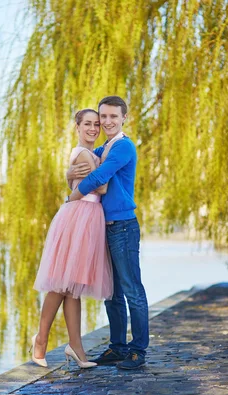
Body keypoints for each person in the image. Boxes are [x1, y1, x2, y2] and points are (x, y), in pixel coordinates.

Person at [66, 95, 148, 370]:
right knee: (111, 293)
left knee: (131, 290)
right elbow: (84, 164)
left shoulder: (123, 147)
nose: (107, 121)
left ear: (124, 118)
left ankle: (137, 351)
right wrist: (69, 172)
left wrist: (72, 197)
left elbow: (99, 178)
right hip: (105, 226)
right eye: (104, 117)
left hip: (123, 226)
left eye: (114, 116)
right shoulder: (104, 147)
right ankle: (117, 347)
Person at [31, 109, 113, 369]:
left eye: (96, 124)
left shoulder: (91, 154)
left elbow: (82, 183)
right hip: (80, 216)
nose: (93, 128)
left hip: (86, 216)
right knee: (61, 284)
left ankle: (76, 347)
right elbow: (101, 187)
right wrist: (97, 175)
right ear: (77, 126)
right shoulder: (84, 153)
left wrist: (82, 177)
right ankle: (40, 340)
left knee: (73, 286)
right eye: (87, 123)